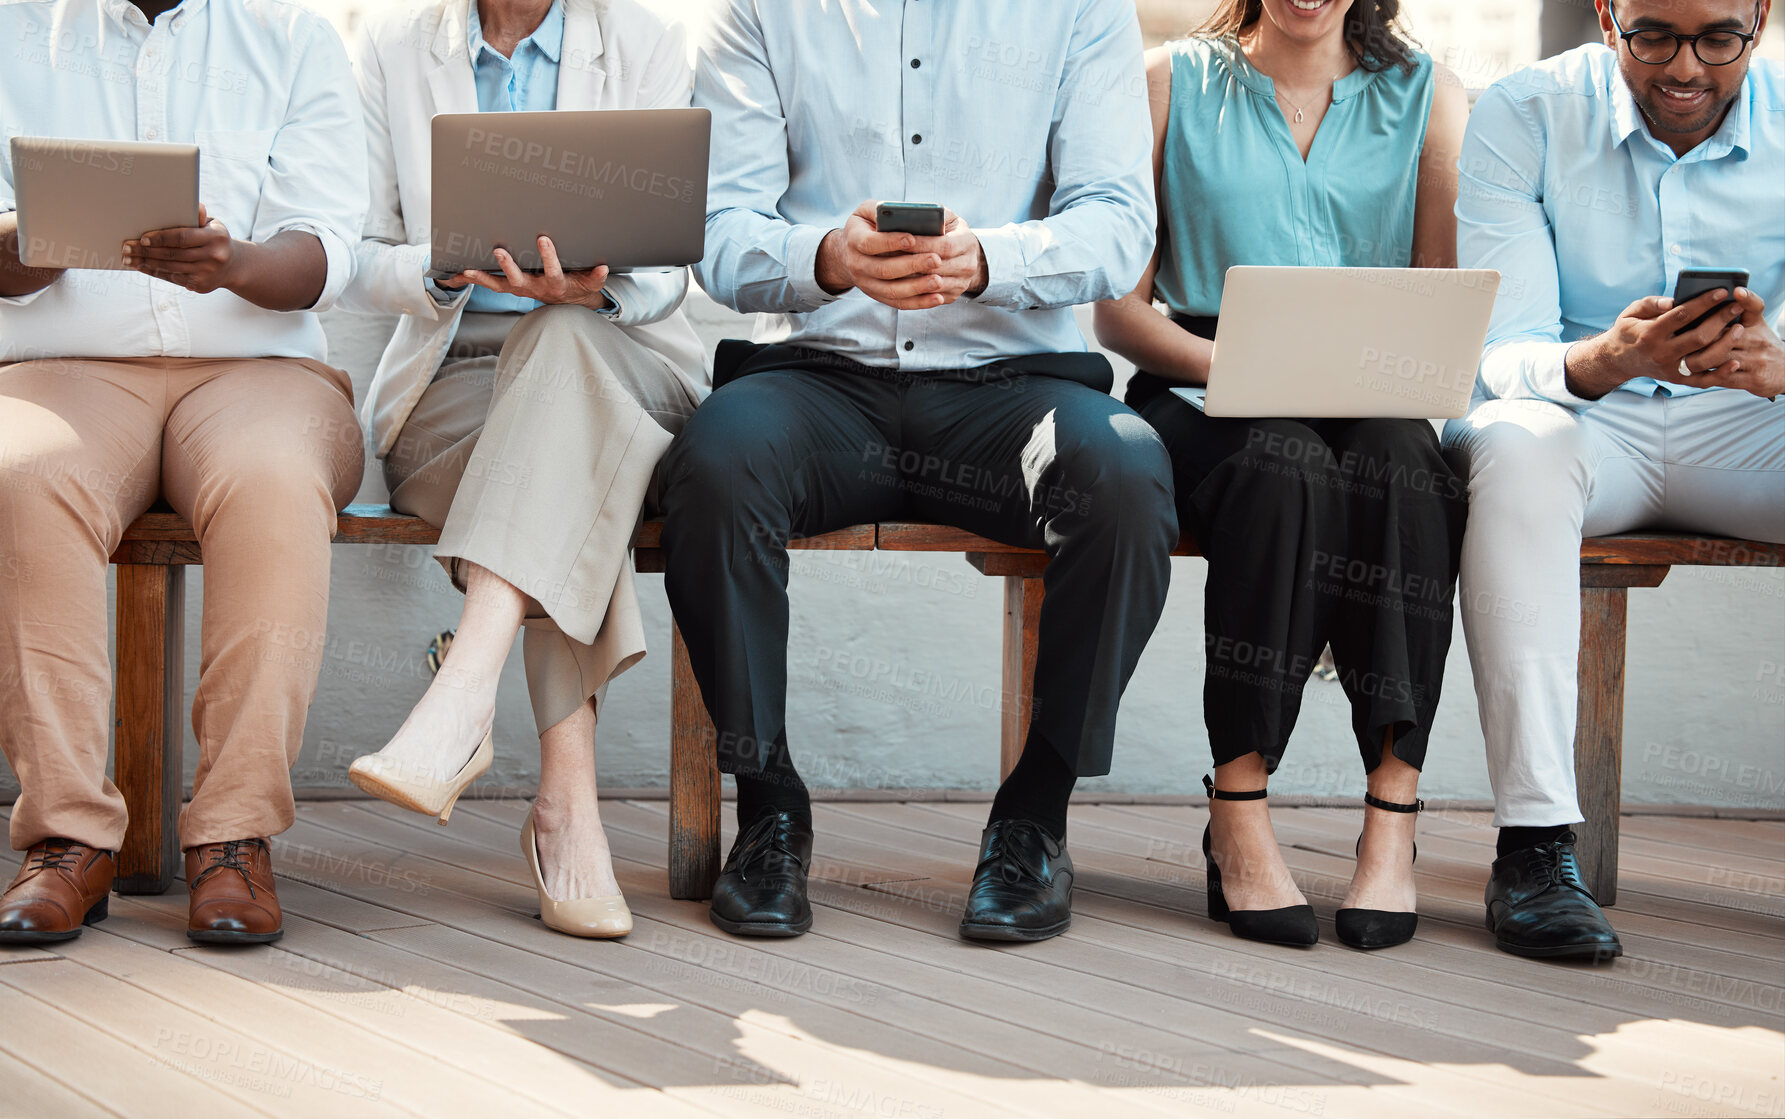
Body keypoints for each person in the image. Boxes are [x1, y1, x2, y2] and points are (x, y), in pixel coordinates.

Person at [663, 0, 1175, 943]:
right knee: (715, 463)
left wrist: (990, 259)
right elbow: (718, 232)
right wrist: (826, 256)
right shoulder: (758, 11)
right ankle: (769, 806)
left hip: (1007, 389)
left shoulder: (1081, 13)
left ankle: (1035, 815)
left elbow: (1117, 228)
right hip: (822, 384)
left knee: (1127, 471)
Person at [1094, 0, 1469, 950]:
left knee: (1406, 467)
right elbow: (1119, 312)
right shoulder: (1168, 82)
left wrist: (1369, 375)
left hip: (1370, 378)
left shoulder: (1428, 95)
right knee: (1283, 464)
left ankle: (1392, 819)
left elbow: (1439, 293)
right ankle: (1239, 808)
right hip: (1205, 372)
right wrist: (1246, 367)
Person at [0, 0, 367, 945]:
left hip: (259, 371)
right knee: (21, 473)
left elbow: (324, 250)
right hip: (64, 368)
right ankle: (68, 840)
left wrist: (234, 262)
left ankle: (233, 837)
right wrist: (30, 250)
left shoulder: (293, 35)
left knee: (274, 481)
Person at [339, 0, 708, 939]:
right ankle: (564, 806)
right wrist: (439, 271)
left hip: (622, 360)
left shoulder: (652, 44)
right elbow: (356, 246)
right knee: (567, 476)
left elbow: (676, 261)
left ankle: (461, 695)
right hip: (453, 385)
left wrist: (597, 286)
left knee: (563, 349)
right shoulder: (388, 46)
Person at [1445, 0, 1783, 960]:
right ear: (1604, 16)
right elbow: (1504, 349)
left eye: (1718, 39)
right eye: (1652, 38)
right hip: (1593, 421)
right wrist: (1607, 359)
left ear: (1758, 18)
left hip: (1750, 428)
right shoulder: (1523, 110)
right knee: (1512, 446)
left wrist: (1778, 360)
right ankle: (1536, 844)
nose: (1685, 69)